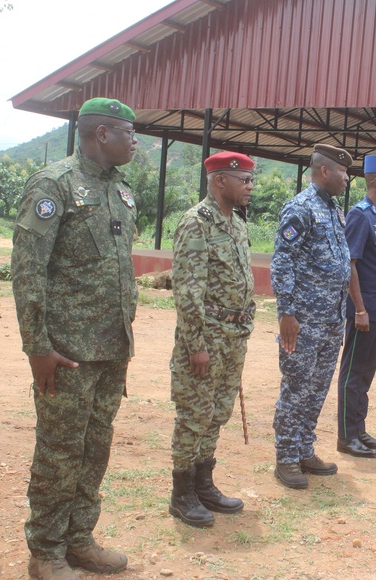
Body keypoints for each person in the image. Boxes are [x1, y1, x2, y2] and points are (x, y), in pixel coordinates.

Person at [12, 98, 138, 580]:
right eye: (129, 133)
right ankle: (45, 551)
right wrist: (37, 347)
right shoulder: (54, 185)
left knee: (95, 446)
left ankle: (79, 538)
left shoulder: (122, 192)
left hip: (111, 347)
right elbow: (28, 271)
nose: (136, 142)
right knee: (59, 451)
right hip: (65, 352)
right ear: (102, 133)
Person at [168, 152, 256, 526]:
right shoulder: (196, 223)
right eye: (245, 180)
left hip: (233, 337)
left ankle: (204, 483)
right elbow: (188, 291)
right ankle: (181, 493)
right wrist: (196, 346)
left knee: (218, 411)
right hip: (206, 337)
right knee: (194, 414)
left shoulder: (236, 223)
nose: (250, 187)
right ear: (220, 181)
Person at [271, 144, 352, 489]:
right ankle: (286, 458)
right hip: (303, 320)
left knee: (317, 388)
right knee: (297, 386)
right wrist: (287, 312)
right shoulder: (300, 208)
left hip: (332, 318)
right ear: (324, 171)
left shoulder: (333, 210)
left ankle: (305, 448)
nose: (348, 179)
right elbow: (282, 261)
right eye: (344, 172)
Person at [335, 155, 376, 458]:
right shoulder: (361, 216)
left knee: (365, 374)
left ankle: (359, 430)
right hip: (365, 311)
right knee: (353, 373)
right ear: (375, 181)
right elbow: (350, 263)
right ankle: (347, 437)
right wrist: (359, 308)